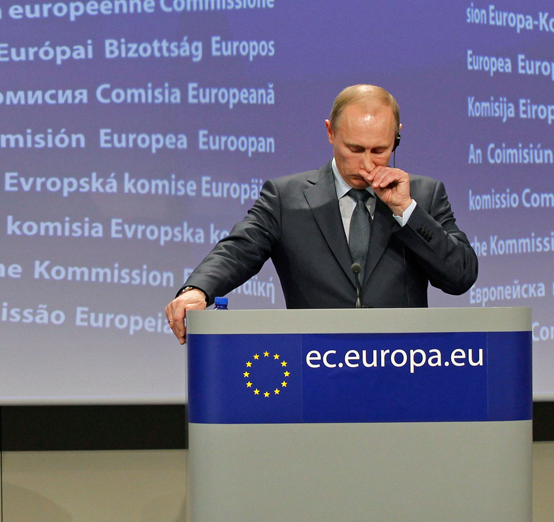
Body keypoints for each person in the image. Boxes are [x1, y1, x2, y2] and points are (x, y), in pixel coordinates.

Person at [165, 84, 477, 344]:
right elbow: (238, 249)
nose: (367, 164)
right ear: (330, 132)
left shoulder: (423, 196)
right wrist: (198, 290)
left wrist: (406, 211)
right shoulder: (285, 198)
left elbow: (460, 276)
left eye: (380, 150)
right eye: (354, 149)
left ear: (397, 136)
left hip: (403, 364)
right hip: (316, 365)